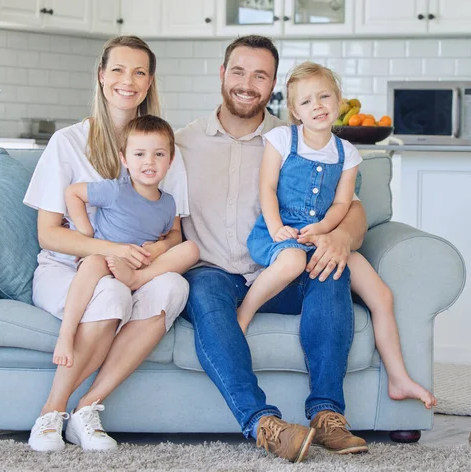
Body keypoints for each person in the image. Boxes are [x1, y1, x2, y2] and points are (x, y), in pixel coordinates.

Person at [176, 35, 369, 463]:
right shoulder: (182, 142)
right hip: (214, 273)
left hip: (283, 269)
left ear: (274, 84)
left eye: (260, 75)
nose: (248, 83)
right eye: (239, 71)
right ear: (222, 74)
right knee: (205, 292)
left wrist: (339, 237)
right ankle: (265, 424)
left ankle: (327, 415)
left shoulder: (298, 138)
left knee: (331, 271)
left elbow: (352, 205)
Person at [23, 36, 190, 453]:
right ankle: (51, 412)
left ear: (150, 82)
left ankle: (88, 408)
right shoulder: (67, 143)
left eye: (138, 72)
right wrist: (109, 251)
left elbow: (175, 233)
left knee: (175, 287)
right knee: (111, 292)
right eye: (117, 70)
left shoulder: (164, 148)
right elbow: (48, 233)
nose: (127, 81)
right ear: (101, 77)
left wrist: (147, 255)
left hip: (134, 266)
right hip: (66, 269)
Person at [239, 61, 436, 410]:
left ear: (339, 100)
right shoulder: (283, 139)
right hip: (278, 231)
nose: (317, 105)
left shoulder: (347, 153)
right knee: (291, 261)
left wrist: (323, 229)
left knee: (381, 294)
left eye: (325, 96)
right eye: (306, 101)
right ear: (294, 111)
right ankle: (243, 314)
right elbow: (266, 188)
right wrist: (276, 229)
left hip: (322, 235)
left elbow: (344, 203)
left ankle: (398, 377)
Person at [53, 115, 199, 368]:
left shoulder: (168, 202)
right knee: (91, 265)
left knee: (191, 248)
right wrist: (86, 231)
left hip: (143, 266)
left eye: (159, 155)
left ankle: (136, 281)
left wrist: (161, 247)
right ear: (124, 159)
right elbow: (72, 192)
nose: (149, 162)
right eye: (139, 154)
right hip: (108, 261)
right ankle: (67, 334)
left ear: (170, 160)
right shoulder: (115, 189)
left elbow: (175, 234)